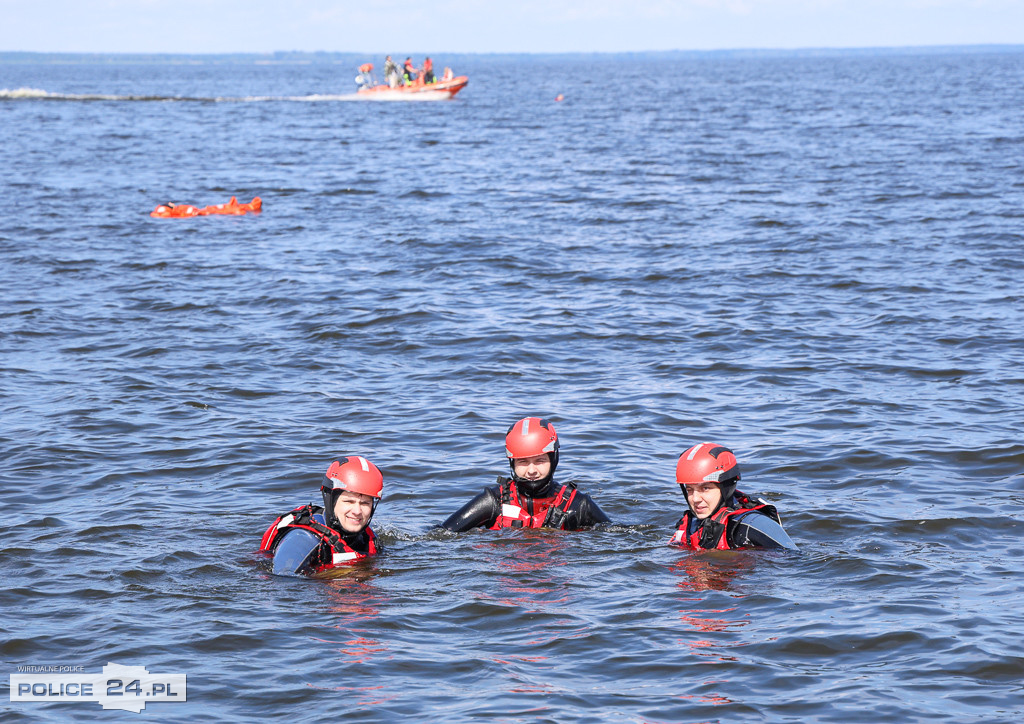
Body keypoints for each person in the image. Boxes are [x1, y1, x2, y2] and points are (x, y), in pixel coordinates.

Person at [439, 417, 611, 532]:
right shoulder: (493, 501)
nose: (531, 471)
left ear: (554, 459)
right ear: (512, 463)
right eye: (522, 462)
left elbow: (618, 537)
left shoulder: (578, 505)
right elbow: (441, 534)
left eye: (540, 461)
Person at [260, 456, 384, 572]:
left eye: (365, 503)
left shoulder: (367, 538)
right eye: (349, 501)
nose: (357, 511)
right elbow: (283, 579)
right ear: (331, 501)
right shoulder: (302, 539)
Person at [668, 442, 796, 550]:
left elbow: (793, 560)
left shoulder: (754, 524)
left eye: (705, 488)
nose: (695, 499)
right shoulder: (693, 522)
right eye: (690, 490)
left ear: (726, 488)